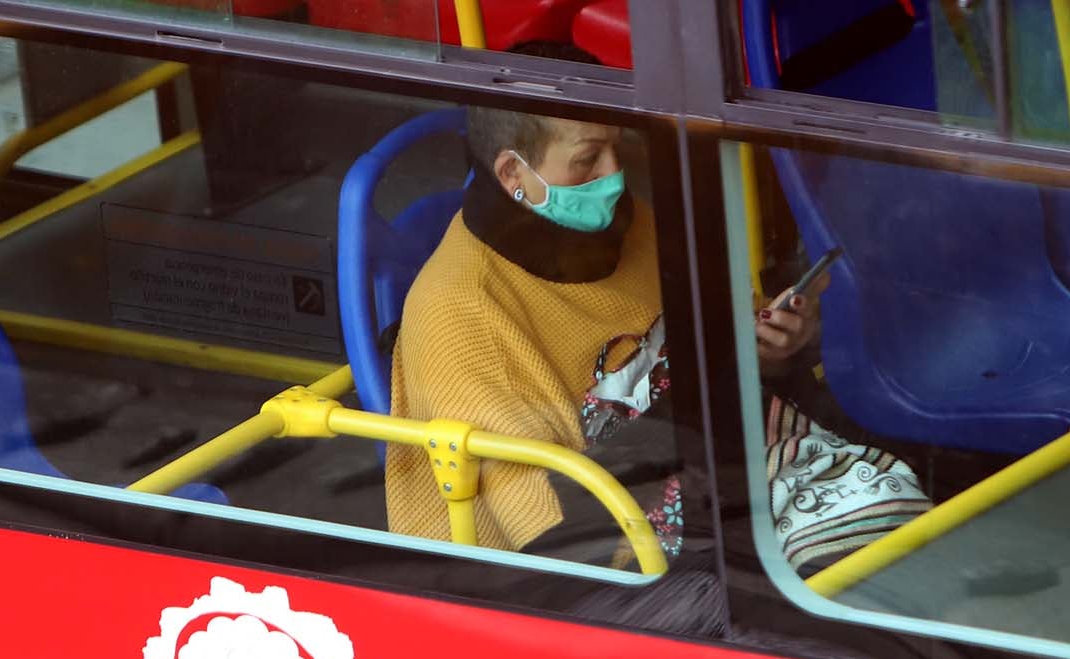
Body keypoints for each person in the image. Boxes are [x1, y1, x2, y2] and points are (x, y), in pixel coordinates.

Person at [387, 68, 929, 570]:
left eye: (618, 147)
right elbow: (561, 536)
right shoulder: (462, 320)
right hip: (614, 552)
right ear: (514, 174)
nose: (615, 177)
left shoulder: (627, 226)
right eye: (587, 159)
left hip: (719, 463)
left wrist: (769, 351)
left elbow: (711, 355)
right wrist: (699, 401)